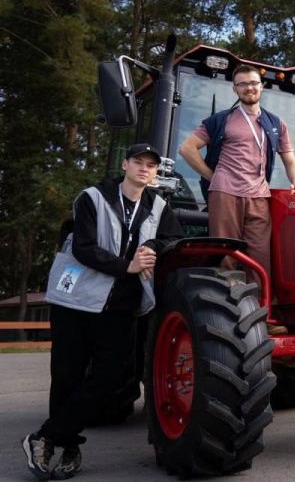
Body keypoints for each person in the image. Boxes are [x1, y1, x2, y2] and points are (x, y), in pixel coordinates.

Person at [24, 144, 183, 481]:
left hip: (120, 306)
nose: (144, 168)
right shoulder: (93, 198)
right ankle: (67, 447)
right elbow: (83, 247)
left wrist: (152, 246)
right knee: (67, 376)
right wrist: (127, 266)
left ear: (156, 172)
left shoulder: (159, 207)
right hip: (76, 302)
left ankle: (45, 436)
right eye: (138, 162)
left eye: (151, 165)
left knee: (110, 377)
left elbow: (172, 239)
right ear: (125, 165)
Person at [179, 64, 295, 279]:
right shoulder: (221, 120)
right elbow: (187, 148)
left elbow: (289, 158)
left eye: (253, 83)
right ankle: (227, 296)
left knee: (260, 256)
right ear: (235, 89)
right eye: (243, 84)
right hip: (225, 193)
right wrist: (212, 176)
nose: (249, 88)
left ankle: (259, 298)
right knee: (226, 254)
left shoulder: (276, 123)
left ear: (261, 86)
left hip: (259, 195)